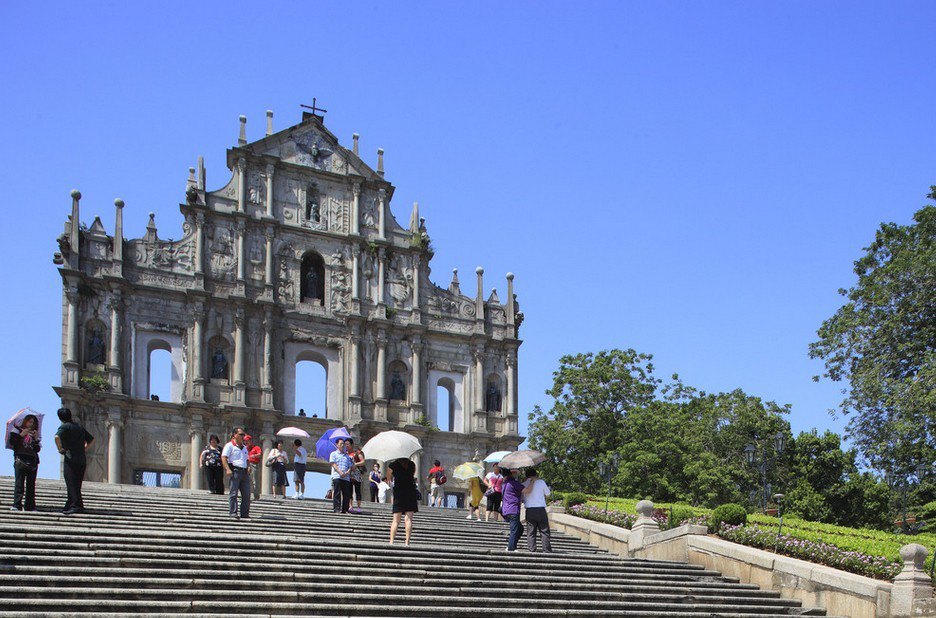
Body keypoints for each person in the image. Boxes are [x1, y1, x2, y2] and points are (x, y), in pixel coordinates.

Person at [54, 408, 94, 515]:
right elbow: (91, 439)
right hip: (81, 459)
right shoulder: (79, 427)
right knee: (77, 483)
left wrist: (60, 448)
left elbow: (57, 437)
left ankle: (76, 505)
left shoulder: (64, 426)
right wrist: (84, 448)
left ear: (60, 417)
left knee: (71, 482)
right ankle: (70, 503)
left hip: (71, 458)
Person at [9, 413, 41, 511]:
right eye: (29, 421)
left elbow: (37, 449)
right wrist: (21, 435)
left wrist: (36, 439)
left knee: (31, 485)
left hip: (32, 460)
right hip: (20, 459)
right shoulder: (16, 431)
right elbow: (12, 443)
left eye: (33, 422)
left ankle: (30, 506)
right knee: (19, 483)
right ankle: (17, 504)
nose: (31, 424)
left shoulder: (35, 434)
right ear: (25, 421)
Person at [222, 427, 250, 519]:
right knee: (233, 493)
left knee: (246, 494)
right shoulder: (229, 445)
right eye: (241, 434)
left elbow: (247, 459)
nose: (243, 436)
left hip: (244, 472)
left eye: (243, 435)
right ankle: (233, 512)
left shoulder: (245, 447)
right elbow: (224, 457)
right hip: (235, 471)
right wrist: (227, 469)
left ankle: (244, 514)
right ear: (234, 435)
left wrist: (248, 467)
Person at [522, 468, 553, 553]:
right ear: (536, 474)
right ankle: (546, 550)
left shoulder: (524, 484)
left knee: (531, 531)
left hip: (529, 510)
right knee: (544, 530)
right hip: (540, 509)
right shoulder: (541, 482)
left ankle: (532, 549)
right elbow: (548, 494)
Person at [388, 458, 418, 546]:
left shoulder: (393, 465)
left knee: (396, 520)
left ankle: (391, 541)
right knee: (408, 520)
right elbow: (412, 475)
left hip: (399, 493)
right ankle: (407, 542)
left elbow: (389, 478)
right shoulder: (412, 465)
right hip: (410, 492)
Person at [501, 468, 525, 551]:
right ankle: (511, 548)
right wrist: (532, 482)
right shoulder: (514, 483)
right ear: (511, 474)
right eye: (514, 473)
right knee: (514, 529)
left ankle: (511, 544)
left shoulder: (504, 484)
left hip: (505, 510)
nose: (516, 474)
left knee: (520, 528)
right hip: (513, 509)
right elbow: (526, 490)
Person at [329, 438, 353, 513]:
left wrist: (347, 472)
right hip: (337, 476)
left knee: (346, 494)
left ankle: (345, 509)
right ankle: (336, 508)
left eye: (343, 444)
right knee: (337, 493)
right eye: (341, 444)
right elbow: (333, 464)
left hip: (346, 477)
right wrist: (340, 472)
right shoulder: (333, 454)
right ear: (337, 445)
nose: (343, 445)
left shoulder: (347, 456)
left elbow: (350, 466)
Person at [346, 437, 366, 513]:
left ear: (352, 444)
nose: (346, 446)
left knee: (358, 490)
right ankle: (350, 506)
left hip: (357, 473)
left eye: (348, 444)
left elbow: (363, 461)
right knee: (349, 490)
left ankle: (358, 507)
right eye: (345, 444)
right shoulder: (345, 454)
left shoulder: (357, 452)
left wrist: (356, 464)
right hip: (349, 473)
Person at [245, 435, 262, 501]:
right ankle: (246, 495)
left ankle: (256, 496)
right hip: (246, 464)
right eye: (245, 441)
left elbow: (260, 454)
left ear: (251, 441)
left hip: (254, 464)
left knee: (255, 481)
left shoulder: (256, 447)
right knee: (246, 480)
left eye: (247, 441)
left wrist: (253, 456)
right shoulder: (245, 448)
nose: (246, 443)